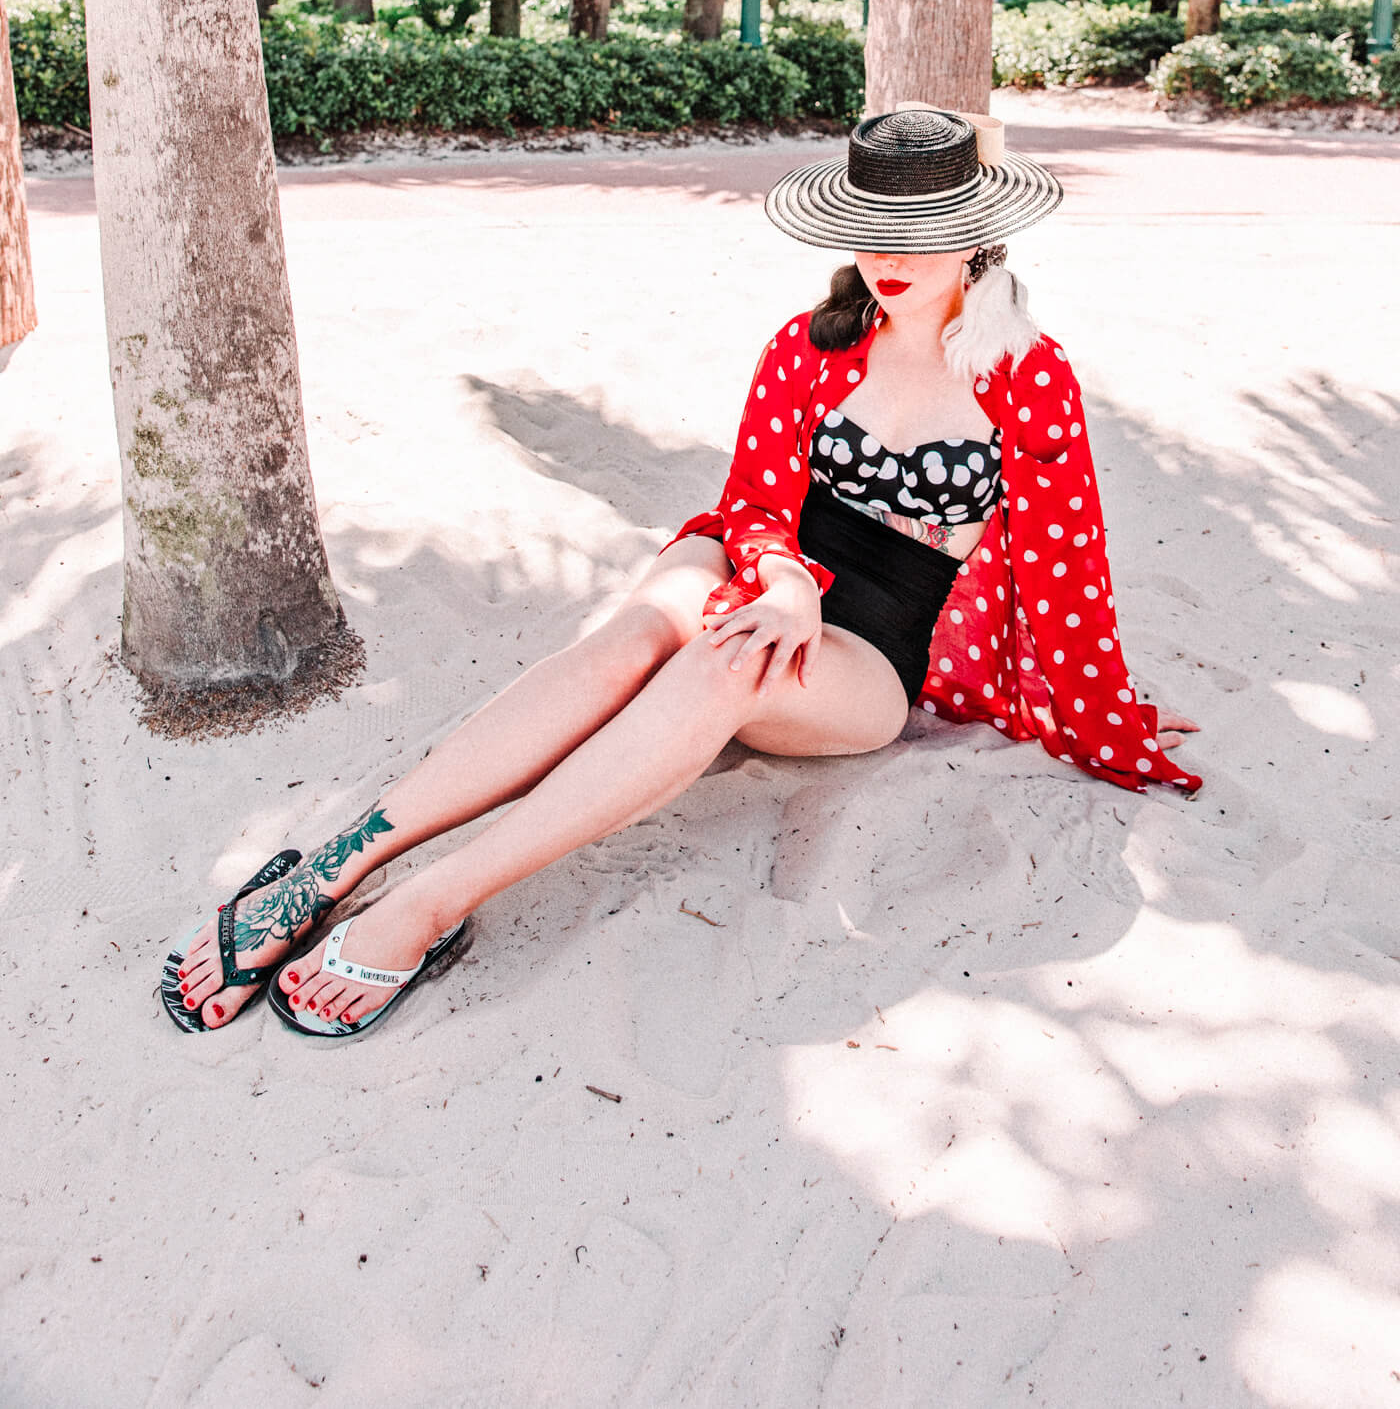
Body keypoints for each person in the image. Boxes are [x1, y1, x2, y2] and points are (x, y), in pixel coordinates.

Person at [162, 106, 1200, 1041]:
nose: (887, 256)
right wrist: (782, 576)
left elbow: (1070, 568)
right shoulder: (808, 346)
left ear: (975, 237)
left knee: (725, 666)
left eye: (917, 236)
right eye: (869, 228)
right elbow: (752, 499)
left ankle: (427, 903)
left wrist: (1108, 718)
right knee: (637, 633)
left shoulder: (1026, 373)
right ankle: (332, 868)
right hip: (768, 556)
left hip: (878, 636)